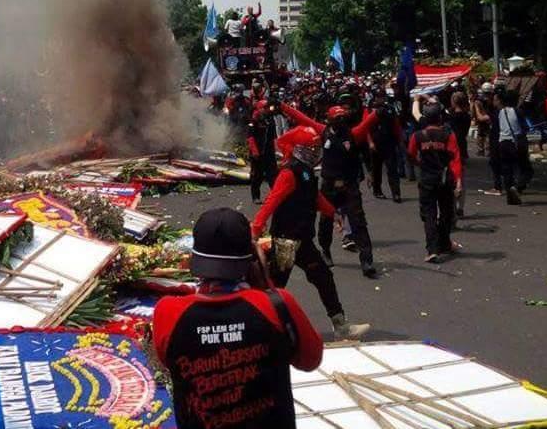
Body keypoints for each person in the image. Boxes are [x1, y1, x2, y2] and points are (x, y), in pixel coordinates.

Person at [153, 208, 324, 429]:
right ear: (252, 257)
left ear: (195, 258)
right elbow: (310, 360)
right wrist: (267, 285)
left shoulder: (168, 312)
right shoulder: (276, 305)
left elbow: (169, 362)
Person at [251, 126, 371, 340]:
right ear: (299, 149)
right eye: (311, 147)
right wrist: (256, 228)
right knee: (275, 288)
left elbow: (314, 198)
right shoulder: (289, 173)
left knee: (323, 277)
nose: (315, 151)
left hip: (303, 240)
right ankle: (259, 330)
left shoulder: (305, 172)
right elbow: (271, 201)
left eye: (316, 147)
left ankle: (341, 326)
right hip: (286, 242)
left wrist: (333, 214)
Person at [317, 104, 380, 278]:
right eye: (337, 118)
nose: (341, 120)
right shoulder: (323, 132)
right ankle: (325, 250)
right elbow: (302, 119)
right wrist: (282, 106)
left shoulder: (352, 134)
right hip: (329, 186)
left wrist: (378, 111)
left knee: (358, 221)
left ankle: (367, 261)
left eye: (343, 117)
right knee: (325, 221)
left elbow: (367, 123)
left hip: (349, 185)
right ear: (329, 120)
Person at [408, 104, 463, 262]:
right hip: (444, 181)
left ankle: (433, 249)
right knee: (446, 214)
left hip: (426, 180)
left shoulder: (417, 136)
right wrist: (458, 182)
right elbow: (455, 160)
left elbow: (411, 154)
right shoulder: (448, 136)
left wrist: (420, 163)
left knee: (429, 215)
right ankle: (443, 243)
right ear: (440, 118)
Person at [369, 89, 403, 203]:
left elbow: (396, 125)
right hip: (376, 142)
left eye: (383, 97)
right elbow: (366, 128)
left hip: (389, 142)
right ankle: (377, 190)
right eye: (379, 97)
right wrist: (370, 142)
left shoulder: (390, 109)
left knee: (392, 168)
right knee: (376, 169)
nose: (381, 99)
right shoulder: (370, 110)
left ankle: (396, 193)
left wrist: (399, 139)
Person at [494, 91, 526, 205]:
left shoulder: (499, 112)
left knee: (507, 170)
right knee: (526, 169)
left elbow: (497, 129)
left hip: (503, 143)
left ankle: (510, 197)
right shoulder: (518, 111)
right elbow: (524, 128)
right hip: (515, 143)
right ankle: (517, 188)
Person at [247, 100, 280, 203]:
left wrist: (278, 149)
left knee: (273, 175)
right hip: (258, 153)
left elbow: (274, 136)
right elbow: (250, 137)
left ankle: (275, 196)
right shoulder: (254, 120)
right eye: (265, 107)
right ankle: (256, 197)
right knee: (257, 176)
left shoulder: (270, 119)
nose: (268, 109)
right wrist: (255, 151)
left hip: (269, 152)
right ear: (260, 109)